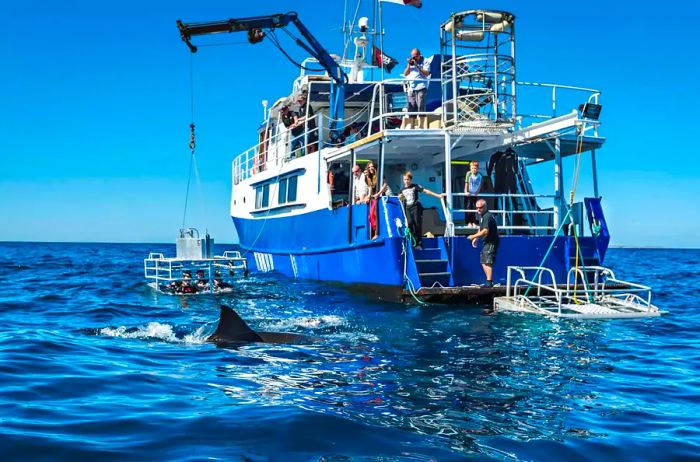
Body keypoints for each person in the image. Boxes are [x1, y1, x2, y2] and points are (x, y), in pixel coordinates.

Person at [399, 171, 445, 249]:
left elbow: (426, 191)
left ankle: (418, 244)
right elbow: (401, 200)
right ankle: (412, 241)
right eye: (405, 179)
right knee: (409, 223)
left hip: (415, 207)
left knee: (417, 224)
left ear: (411, 180)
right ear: (403, 180)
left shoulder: (415, 186)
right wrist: (400, 197)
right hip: (407, 208)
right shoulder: (402, 190)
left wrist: (438, 196)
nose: (406, 181)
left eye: (408, 179)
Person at [467, 199, 500, 287]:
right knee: (483, 262)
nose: (478, 210)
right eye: (477, 208)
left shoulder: (487, 216)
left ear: (485, 207)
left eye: (480, 208)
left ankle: (489, 282)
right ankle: (489, 281)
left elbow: (485, 231)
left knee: (487, 262)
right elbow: (481, 228)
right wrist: (476, 237)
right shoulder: (483, 216)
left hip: (491, 241)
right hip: (486, 241)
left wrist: (473, 236)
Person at [403, 48, 431, 114]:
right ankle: (412, 124)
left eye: (415, 56)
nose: (414, 58)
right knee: (412, 107)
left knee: (421, 106)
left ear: (419, 55)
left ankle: (421, 124)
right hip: (411, 88)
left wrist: (417, 65)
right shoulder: (411, 62)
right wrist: (409, 64)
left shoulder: (425, 61)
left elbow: (427, 73)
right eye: (413, 56)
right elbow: (405, 73)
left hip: (421, 87)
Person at [464, 160, 485, 226]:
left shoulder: (480, 175)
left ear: (477, 168)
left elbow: (480, 184)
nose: (474, 170)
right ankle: (469, 222)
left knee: (474, 207)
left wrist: (477, 192)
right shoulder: (469, 174)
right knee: (468, 207)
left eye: (475, 168)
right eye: (472, 168)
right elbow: (466, 183)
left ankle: (474, 221)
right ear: (470, 168)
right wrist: (466, 191)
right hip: (469, 193)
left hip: (474, 193)